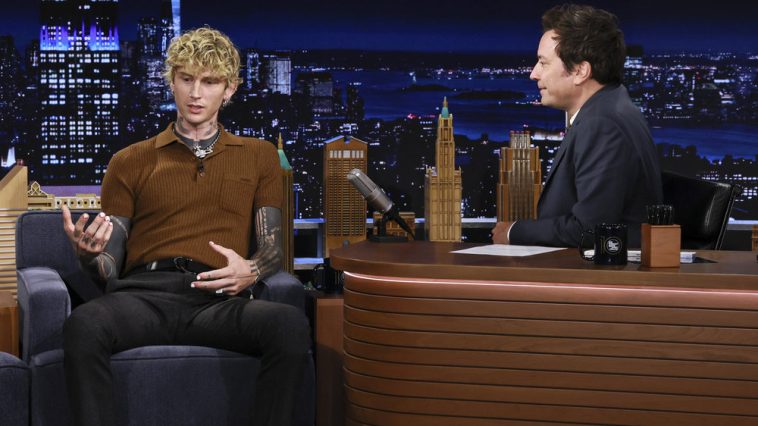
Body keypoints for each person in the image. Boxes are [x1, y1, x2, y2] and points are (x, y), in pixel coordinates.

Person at [60, 27, 310, 426]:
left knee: (289, 324)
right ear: (171, 82)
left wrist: (252, 270)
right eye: (187, 79)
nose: (196, 93)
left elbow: (273, 248)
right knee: (84, 325)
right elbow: (109, 267)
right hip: (145, 296)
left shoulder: (259, 156)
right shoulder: (129, 160)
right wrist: (88, 255)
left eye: (209, 82)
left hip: (218, 300)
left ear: (229, 89)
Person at [492, 3, 662, 248]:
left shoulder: (602, 125)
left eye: (543, 63)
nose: (533, 74)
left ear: (581, 71)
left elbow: (591, 229)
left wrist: (513, 232)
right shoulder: (611, 106)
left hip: (597, 270)